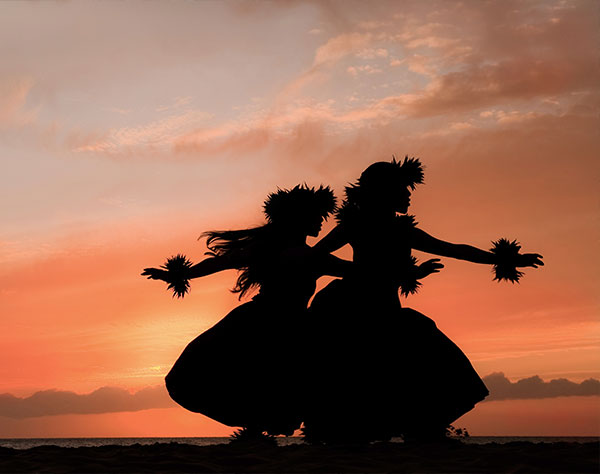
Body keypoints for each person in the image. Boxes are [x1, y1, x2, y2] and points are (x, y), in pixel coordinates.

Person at [302, 157, 544, 443]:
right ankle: (379, 432)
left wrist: (505, 258)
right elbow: (314, 256)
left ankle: (419, 430)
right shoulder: (356, 226)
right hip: (355, 310)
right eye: (402, 190)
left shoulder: (403, 231)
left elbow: (454, 249)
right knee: (367, 373)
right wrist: (358, 270)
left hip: (387, 309)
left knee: (409, 371)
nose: (407, 196)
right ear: (384, 192)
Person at [143, 185, 353, 436]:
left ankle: (256, 428)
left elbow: (219, 263)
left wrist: (179, 274)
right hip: (275, 324)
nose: (321, 222)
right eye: (317, 216)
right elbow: (219, 262)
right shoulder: (305, 256)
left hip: (265, 322)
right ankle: (259, 426)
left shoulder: (285, 253)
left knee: (251, 378)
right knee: (259, 378)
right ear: (299, 218)